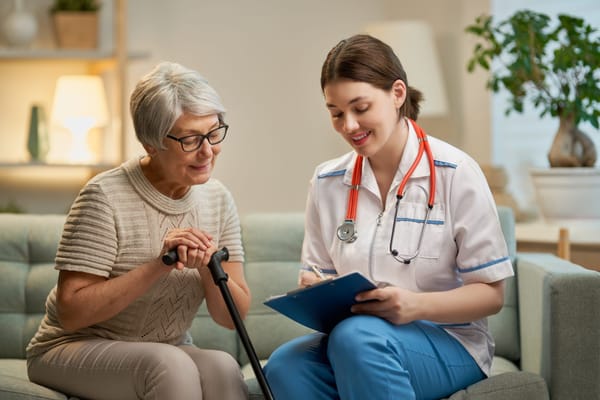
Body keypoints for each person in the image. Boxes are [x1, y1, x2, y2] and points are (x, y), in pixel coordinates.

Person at [263, 34, 514, 400]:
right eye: (336, 113)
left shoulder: (455, 172)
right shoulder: (326, 182)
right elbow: (322, 275)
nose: (349, 125)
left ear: (397, 94)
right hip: (358, 338)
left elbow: (491, 295)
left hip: (451, 341)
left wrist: (414, 306)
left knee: (356, 338)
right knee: (285, 365)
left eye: (360, 108)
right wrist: (314, 289)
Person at [26, 61, 250, 400]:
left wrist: (207, 264)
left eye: (214, 132)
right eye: (190, 139)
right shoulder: (103, 195)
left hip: (166, 347)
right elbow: (72, 314)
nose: (208, 150)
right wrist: (159, 264)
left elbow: (232, 317)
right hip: (71, 346)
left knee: (222, 366)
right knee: (169, 365)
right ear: (150, 143)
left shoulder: (217, 199)